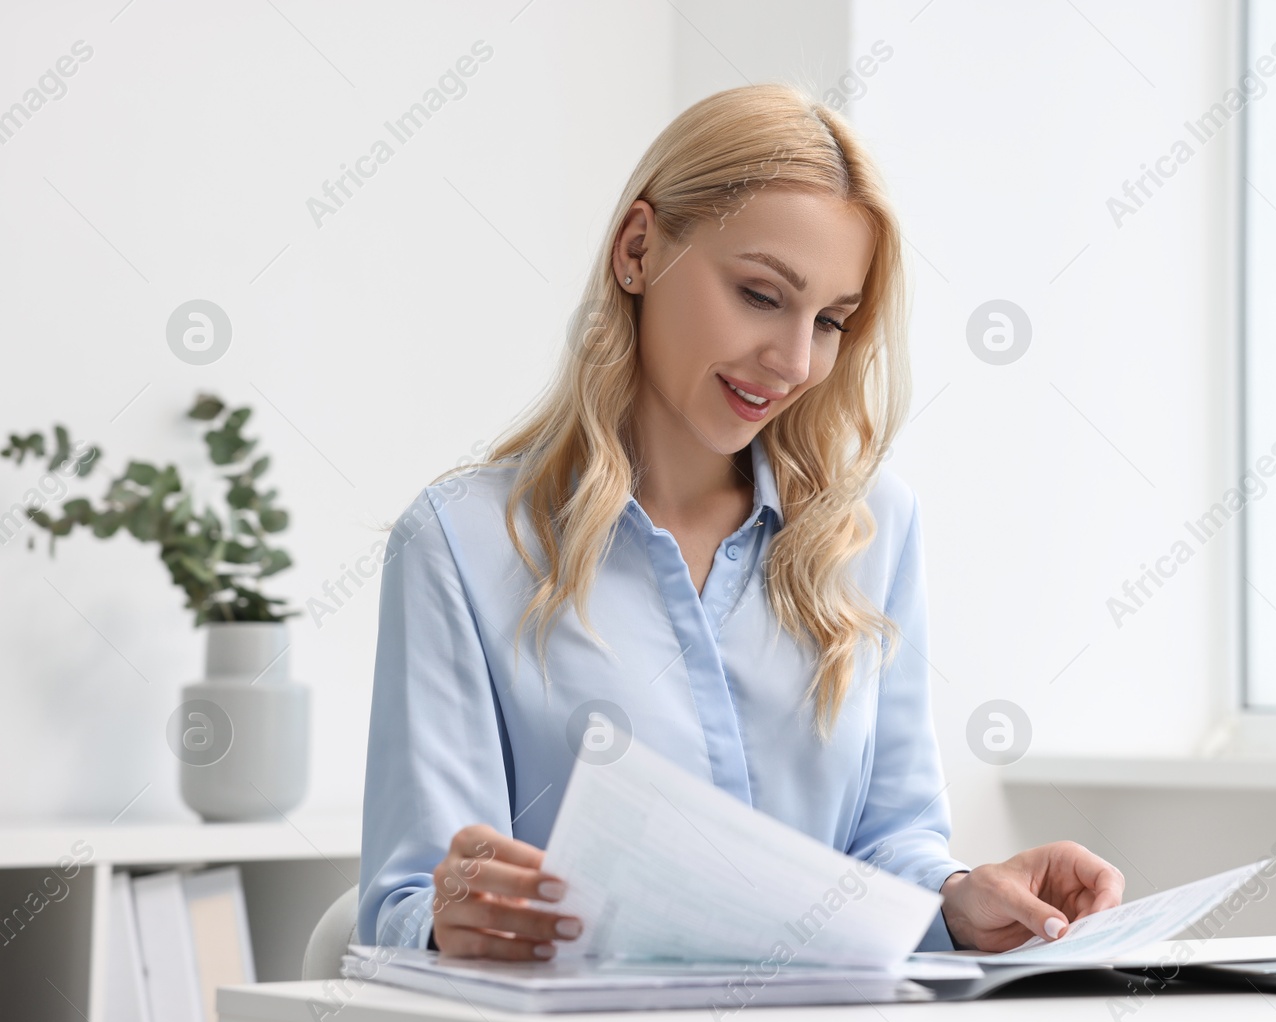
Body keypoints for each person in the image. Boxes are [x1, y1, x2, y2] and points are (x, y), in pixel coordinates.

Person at [357, 83, 1124, 961]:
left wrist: (958, 900)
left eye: (831, 320)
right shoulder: (462, 542)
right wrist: (447, 917)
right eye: (761, 294)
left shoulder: (871, 529)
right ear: (638, 250)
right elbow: (411, 897)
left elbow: (890, 846)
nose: (795, 362)